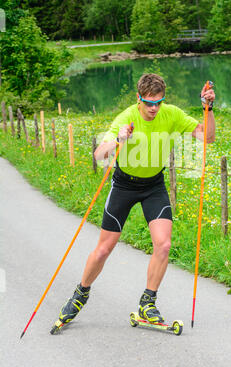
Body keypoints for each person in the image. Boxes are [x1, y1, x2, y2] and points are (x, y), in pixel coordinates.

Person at [56, 73, 215, 327]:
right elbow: (99, 155)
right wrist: (119, 139)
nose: (154, 108)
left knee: (163, 245)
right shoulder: (126, 117)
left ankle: (148, 303)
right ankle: (81, 293)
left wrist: (208, 109)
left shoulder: (171, 114)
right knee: (104, 249)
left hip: (154, 185)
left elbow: (207, 137)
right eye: (148, 103)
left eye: (158, 102)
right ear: (138, 99)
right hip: (123, 185)